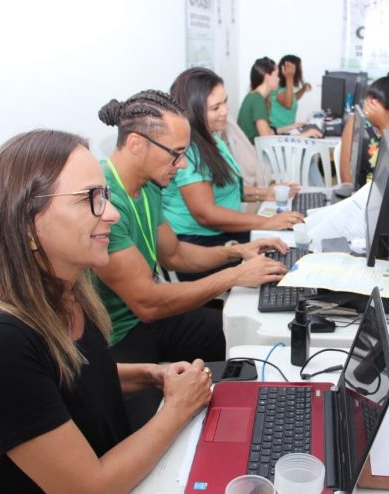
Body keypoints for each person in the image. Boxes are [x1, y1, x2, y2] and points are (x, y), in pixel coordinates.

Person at [0, 129, 213, 492]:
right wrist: (178, 407)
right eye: (91, 198)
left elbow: (76, 379)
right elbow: (90, 487)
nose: (112, 214)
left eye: (105, 195)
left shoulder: (67, 291)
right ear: (28, 219)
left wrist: (152, 374)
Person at [94, 89, 288, 429]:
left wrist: (235, 252)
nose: (182, 164)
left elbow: (175, 253)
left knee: (245, 337)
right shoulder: (104, 200)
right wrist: (234, 275)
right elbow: (147, 302)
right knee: (154, 435)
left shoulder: (148, 184)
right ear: (137, 144)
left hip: (149, 324)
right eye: (176, 154)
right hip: (117, 339)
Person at [164, 68, 305, 281]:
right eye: (215, 107)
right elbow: (206, 214)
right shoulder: (189, 150)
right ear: (193, 111)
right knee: (280, 264)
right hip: (200, 245)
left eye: (225, 102)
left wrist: (266, 193)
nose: (225, 111)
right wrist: (266, 222)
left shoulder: (211, 138)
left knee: (286, 246)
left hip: (222, 233)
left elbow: (226, 188)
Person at [237, 57, 321, 143]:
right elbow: (267, 140)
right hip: (254, 149)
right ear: (267, 77)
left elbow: (268, 132)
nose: (279, 79)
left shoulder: (254, 96)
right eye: (277, 75)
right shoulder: (257, 100)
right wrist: (304, 136)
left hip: (254, 147)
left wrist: (291, 126)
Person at [269, 54, 312, 129]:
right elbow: (288, 104)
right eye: (300, 69)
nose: (301, 71)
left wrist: (303, 89)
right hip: (278, 131)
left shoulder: (284, 88)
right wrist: (289, 77)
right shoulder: (276, 88)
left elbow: (292, 98)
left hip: (287, 130)